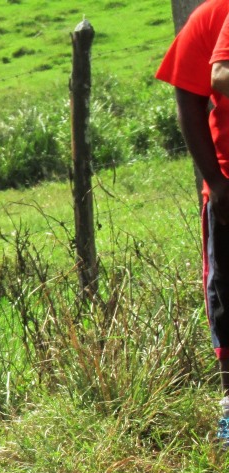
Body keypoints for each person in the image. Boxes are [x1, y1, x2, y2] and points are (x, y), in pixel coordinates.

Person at [157, 0, 229, 442]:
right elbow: (190, 94)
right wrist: (216, 181)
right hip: (228, 183)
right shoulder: (211, 17)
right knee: (226, 299)